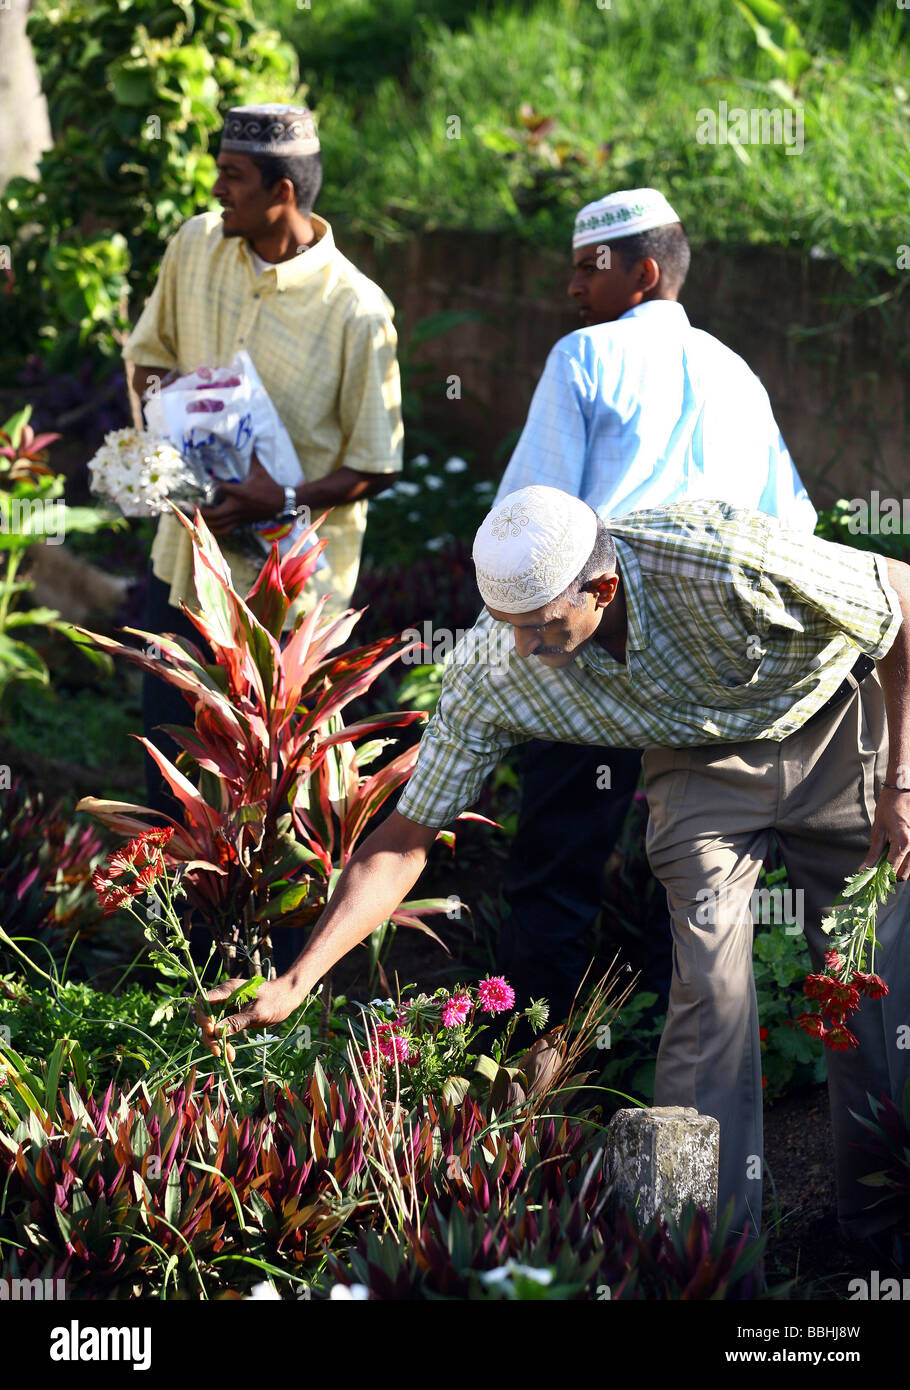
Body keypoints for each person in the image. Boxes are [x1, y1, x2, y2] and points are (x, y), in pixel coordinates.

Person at [198, 485, 910, 1249]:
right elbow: (407, 835)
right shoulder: (496, 666)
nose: (523, 651)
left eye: (539, 628)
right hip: (701, 764)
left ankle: (881, 1232)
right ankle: (703, 1253)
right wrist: (301, 977)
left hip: (840, 725)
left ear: (601, 588)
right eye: (508, 628)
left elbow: (900, 599)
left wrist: (902, 782)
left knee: (868, 974)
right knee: (710, 988)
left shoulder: (722, 555)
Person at [492, 187, 816, 1023]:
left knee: (559, 858)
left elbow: (531, 513)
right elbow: (796, 524)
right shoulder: (736, 371)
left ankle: (540, 1065)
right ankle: (667, 1064)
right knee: (697, 871)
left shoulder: (583, 357)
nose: (572, 288)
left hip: (593, 640)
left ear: (641, 272)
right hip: (712, 657)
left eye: (585, 268)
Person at [122, 103, 404, 816]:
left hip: (282, 593)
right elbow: (149, 357)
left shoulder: (357, 311)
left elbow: (379, 462)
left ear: (282, 193)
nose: (217, 191)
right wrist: (172, 433)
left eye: (231, 177)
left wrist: (276, 501)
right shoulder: (196, 246)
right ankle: (182, 920)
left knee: (268, 789)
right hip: (184, 563)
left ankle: (268, 934)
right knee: (171, 759)